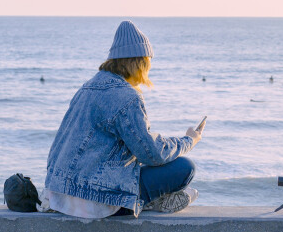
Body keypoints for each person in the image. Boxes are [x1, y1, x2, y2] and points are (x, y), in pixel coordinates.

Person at [39, 21, 204, 219]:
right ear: (140, 63)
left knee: (134, 167)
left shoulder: (87, 88)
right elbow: (151, 154)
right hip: (98, 200)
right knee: (185, 168)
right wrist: (189, 140)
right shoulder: (127, 96)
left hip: (60, 195)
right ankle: (146, 202)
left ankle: (153, 201)